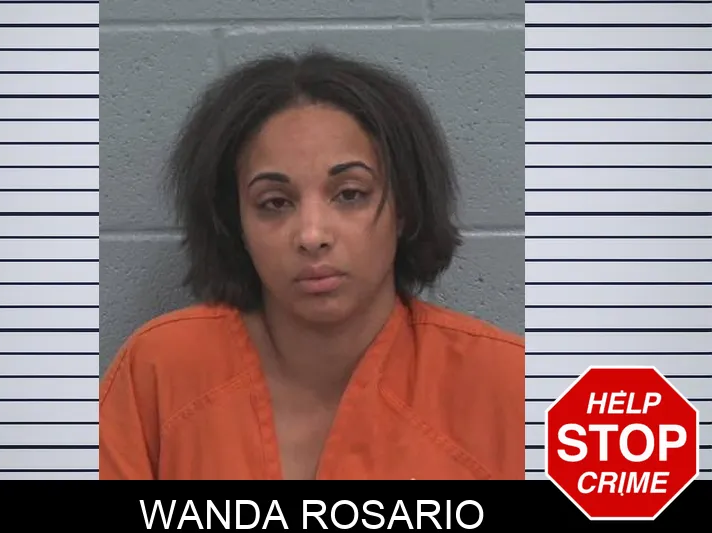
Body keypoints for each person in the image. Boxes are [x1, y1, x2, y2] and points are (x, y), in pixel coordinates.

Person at [99, 49, 524, 480]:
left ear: (404, 208)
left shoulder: (508, 386)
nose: (311, 235)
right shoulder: (160, 371)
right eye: (275, 203)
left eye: (350, 194)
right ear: (235, 222)